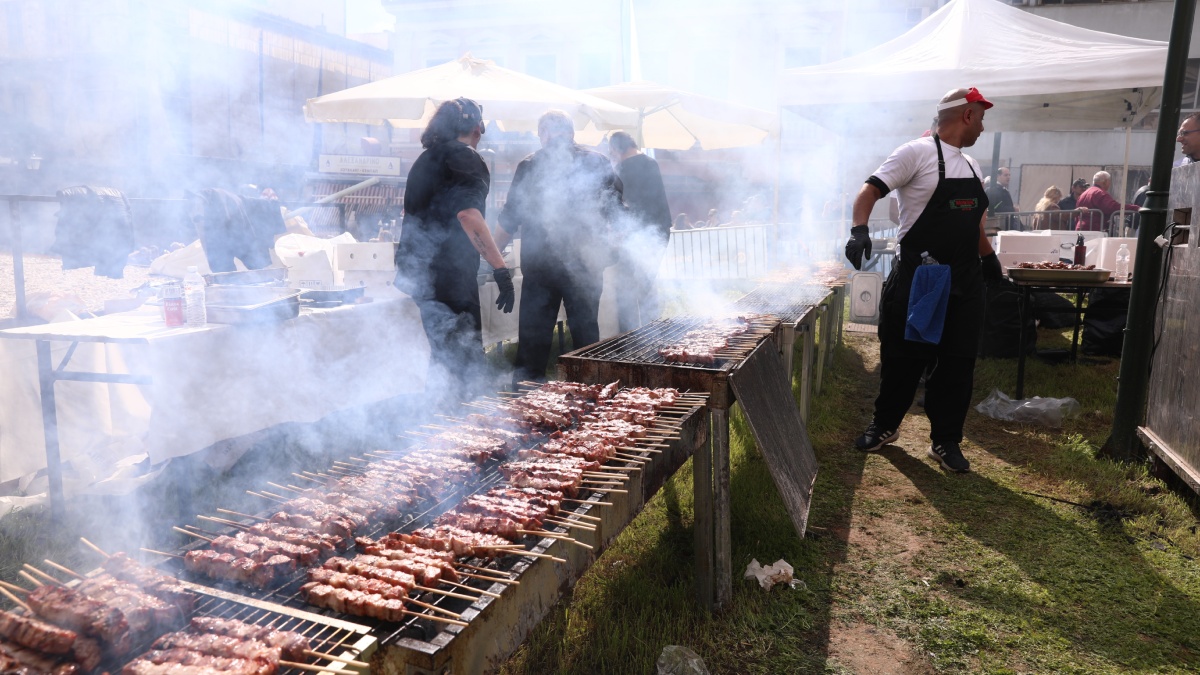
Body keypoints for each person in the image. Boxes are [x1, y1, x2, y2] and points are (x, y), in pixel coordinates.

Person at [843, 86, 1004, 473]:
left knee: (957, 363)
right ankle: (885, 426)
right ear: (966, 115)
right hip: (920, 279)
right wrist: (858, 230)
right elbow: (870, 190)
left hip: (964, 282)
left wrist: (990, 261)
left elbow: (973, 226)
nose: (983, 127)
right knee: (902, 357)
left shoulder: (972, 166)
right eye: (981, 118)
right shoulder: (915, 152)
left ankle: (946, 441)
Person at [394, 98, 514, 401]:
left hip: (420, 279)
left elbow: (411, 215)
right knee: (466, 365)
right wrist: (500, 269)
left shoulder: (424, 160)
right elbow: (468, 215)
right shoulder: (465, 158)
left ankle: (435, 424)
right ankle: (466, 428)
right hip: (450, 279)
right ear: (478, 127)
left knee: (442, 359)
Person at [496, 110, 625, 384]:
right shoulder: (597, 161)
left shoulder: (529, 166)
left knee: (533, 340)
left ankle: (526, 402)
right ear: (572, 133)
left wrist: (491, 258)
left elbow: (509, 218)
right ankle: (592, 397)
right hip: (586, 266)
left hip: (540, 267)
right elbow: (617, 214)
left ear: (542, 135)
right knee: (586, 339)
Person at [608, 131, 673, 332]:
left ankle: (629, 338)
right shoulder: (651, 163)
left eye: (611, 151)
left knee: (626, 289)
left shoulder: (621, 169)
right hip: (658, 233)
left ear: (616, 149)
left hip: (633, 237)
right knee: (647, 286)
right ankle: (652, 332)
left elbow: (620, 209)